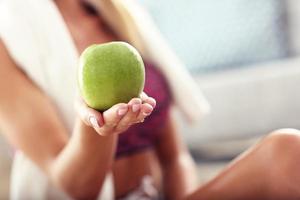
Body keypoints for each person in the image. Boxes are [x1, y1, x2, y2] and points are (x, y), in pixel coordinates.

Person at [0, 0, 300, 200]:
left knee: (288, 151)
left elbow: (175, 158)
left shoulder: (120, 13)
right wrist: (96, 125)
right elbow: (73, 187)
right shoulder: (8, 39)